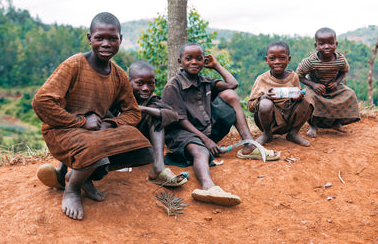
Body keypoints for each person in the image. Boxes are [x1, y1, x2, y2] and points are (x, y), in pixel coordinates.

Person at [32, 12, 154, 221]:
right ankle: (72, 188)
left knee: (143, 149)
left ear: (120, 40)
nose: (106, 43)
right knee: (95, 150)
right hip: (60, 132)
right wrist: (80, 122)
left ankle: (85, 174)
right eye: (99, 38)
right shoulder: (75, 64)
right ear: (90, 39)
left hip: (95, 134)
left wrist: (109, 124)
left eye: (112, 38)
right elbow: (41, 102)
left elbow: (133, 112)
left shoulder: (117, 74)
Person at [162, 43, 279, 206]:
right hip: (182, 133)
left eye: (199, 58)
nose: (194, 62)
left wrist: (216, 66)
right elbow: (181, 120)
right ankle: (207, 186)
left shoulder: (205, 81)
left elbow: (233, 84)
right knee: (200, 150)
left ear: (204, 61)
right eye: (188, 59)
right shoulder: (173, 86)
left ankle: (249, 145)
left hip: (205, 128)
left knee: (230, 94)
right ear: (179, 61)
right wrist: (206, 140)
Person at [128, 61, 188, 187]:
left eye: (151, 84)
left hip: (143, 153)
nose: (146, 88)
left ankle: (159, 166)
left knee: (157, 115)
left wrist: (143, 109)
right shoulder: (119, 98)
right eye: (140, 83)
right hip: (116, 151)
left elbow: (173, 115)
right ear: (129, 82)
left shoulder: (153, 100)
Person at [247, 41, 314, 147]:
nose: (277, 62)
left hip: (289, 118)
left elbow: (296, 98)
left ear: (289, 59)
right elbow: (250, 107)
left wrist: (297, 98)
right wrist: (263, 97)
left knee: (307, 99)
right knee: (265, 104)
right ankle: (267, 134)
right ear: (266, 60)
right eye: (272, 58)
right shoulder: (261, 79)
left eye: (282, 58)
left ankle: (293, 133)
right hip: (269, 121)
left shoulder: (293, 77)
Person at [296, 27, 360, 137]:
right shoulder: (311, 61)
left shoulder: (340, 59)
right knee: (309, 99)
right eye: (322, 44)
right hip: (315, 89)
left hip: (333, 88)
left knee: (350, 94)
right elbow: (299, 76)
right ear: (316, 46)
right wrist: (314, 85)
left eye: (331, 43)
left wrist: (336, 82)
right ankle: (313, 125)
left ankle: (336, 122)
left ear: (336, 44)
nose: (327, 46)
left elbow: (344, 71)